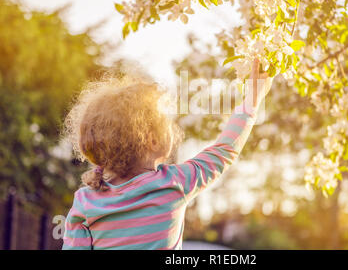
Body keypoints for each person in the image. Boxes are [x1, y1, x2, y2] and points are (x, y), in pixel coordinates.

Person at [63, 59, 273, 249]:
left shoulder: (85, 201)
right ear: (152, 140)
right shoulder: (174, 183)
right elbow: (224, 149)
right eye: (167, 122)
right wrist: (253, 98)